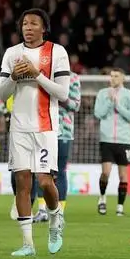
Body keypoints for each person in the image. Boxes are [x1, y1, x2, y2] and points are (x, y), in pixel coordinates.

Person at [0, 8, 72, 257]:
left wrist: (36, 74)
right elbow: (2, 94)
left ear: (44, 28)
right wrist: (14, 77)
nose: (28, 27)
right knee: (22, 183)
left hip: (45, 126)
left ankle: (54, 220)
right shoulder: (12, 53)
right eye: (24, 23)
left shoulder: (56, 52)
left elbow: (63, 94)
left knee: (45, 181)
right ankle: (28, 243)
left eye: (33, 23)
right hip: (19, 127)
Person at [93, 69, 130, 216]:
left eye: (116, 76)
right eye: (111, 76)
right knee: (105, 173)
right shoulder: (102, 93)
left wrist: (117, 104)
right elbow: (98, 113)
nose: (113, 78)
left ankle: (120, 207)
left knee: (123, 176)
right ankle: (102, 198)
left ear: (123, 77)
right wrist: (109, 101)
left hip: (124, 140)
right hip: (106, 139)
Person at [56, 71, 81, 213]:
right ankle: (42, 208)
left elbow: (76, 106)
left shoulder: (73, 78)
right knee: (41, 170)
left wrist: (61, 98)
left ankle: (60, 210)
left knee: (60, 171)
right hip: (43, 129)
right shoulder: (44, 73)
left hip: (64, 131)